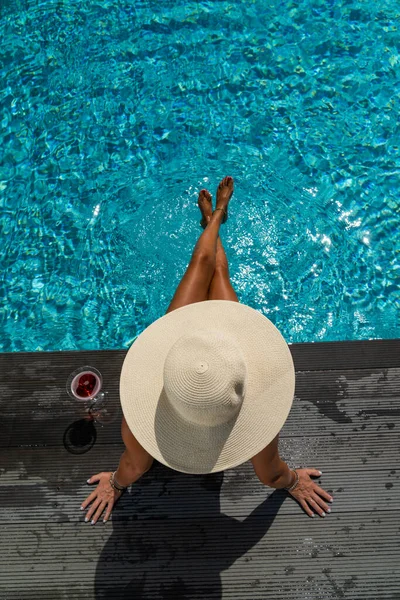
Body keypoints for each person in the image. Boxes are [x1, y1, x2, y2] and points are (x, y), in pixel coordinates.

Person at [81, 176, 333, 525]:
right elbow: (271, 475)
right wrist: (293, 483)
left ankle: (215, 218)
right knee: (216, 271)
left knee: (204, 267)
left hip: (187, 349)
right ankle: (215, 216)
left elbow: (134, 466)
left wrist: (115, 485)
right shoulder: (256, 419)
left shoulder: (138, 430)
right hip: (215, 347)